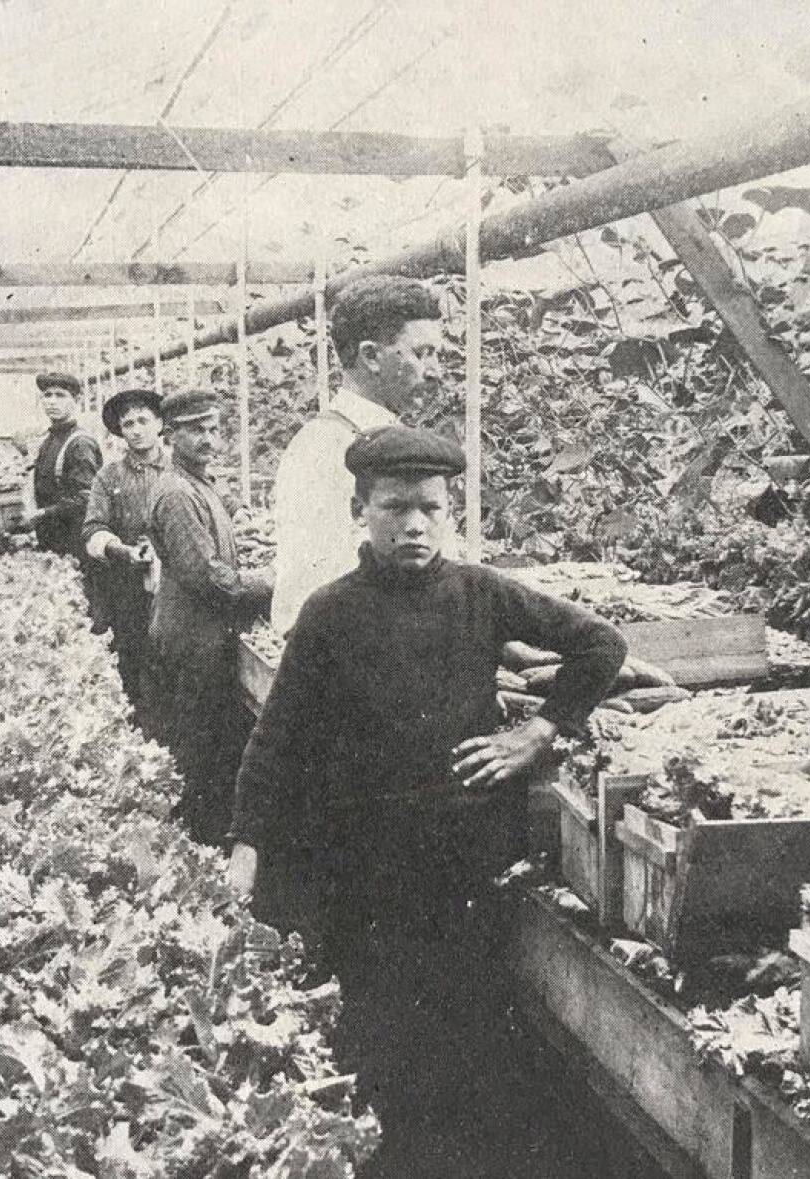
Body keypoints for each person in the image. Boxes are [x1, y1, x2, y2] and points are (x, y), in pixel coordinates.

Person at [228, 425, 629, 1177]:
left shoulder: (482, 594)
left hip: (464, 858)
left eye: (431, 509)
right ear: (360, 510)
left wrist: (540, 731)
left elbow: (602, 645)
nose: (414, 525)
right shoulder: (330, 613)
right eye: (394, 508)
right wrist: (246, 846)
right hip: (363, 864)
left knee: (465, 1034)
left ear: (450, 512)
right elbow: (276, 738)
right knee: (376, 1036)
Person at [270, 274, 443, 635]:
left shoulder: (387, 438)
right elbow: (314, 591)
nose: (435, 372)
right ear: (370, 356)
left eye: (436, 355)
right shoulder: (326, 449)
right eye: (421, 354)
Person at [143, 389, 273, 846]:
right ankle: (199, 844)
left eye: (213, 428)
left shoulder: (198, 484)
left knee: (215, 746)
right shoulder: (177, 494)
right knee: (201, 749)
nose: (208, 439)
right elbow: (207, 578)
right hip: (192, 641)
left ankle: (208, 836)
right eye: (195, 429)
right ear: (170, 435)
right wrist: (269, 583)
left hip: (205, 636)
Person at [81, 387, 167, 718]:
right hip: (127, 589)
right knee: (133, 665)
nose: (136, 430)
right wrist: (121, 550)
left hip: (176, 590)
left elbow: (219, 498)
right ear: (120, 430)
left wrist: (239, 511)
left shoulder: (179, 469)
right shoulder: (109, 476)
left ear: (160, 424)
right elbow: (93, 529)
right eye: (128, 424)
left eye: (143, 420)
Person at [15, 371, 107, 621]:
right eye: (47, 395)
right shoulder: (50, 439)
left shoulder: (80, 444)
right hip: (53, 540)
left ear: (75, 401)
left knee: (82, 610)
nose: (52, 401)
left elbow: (86, 499)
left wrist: (41, 515)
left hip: (77, 544)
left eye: (60, 395)